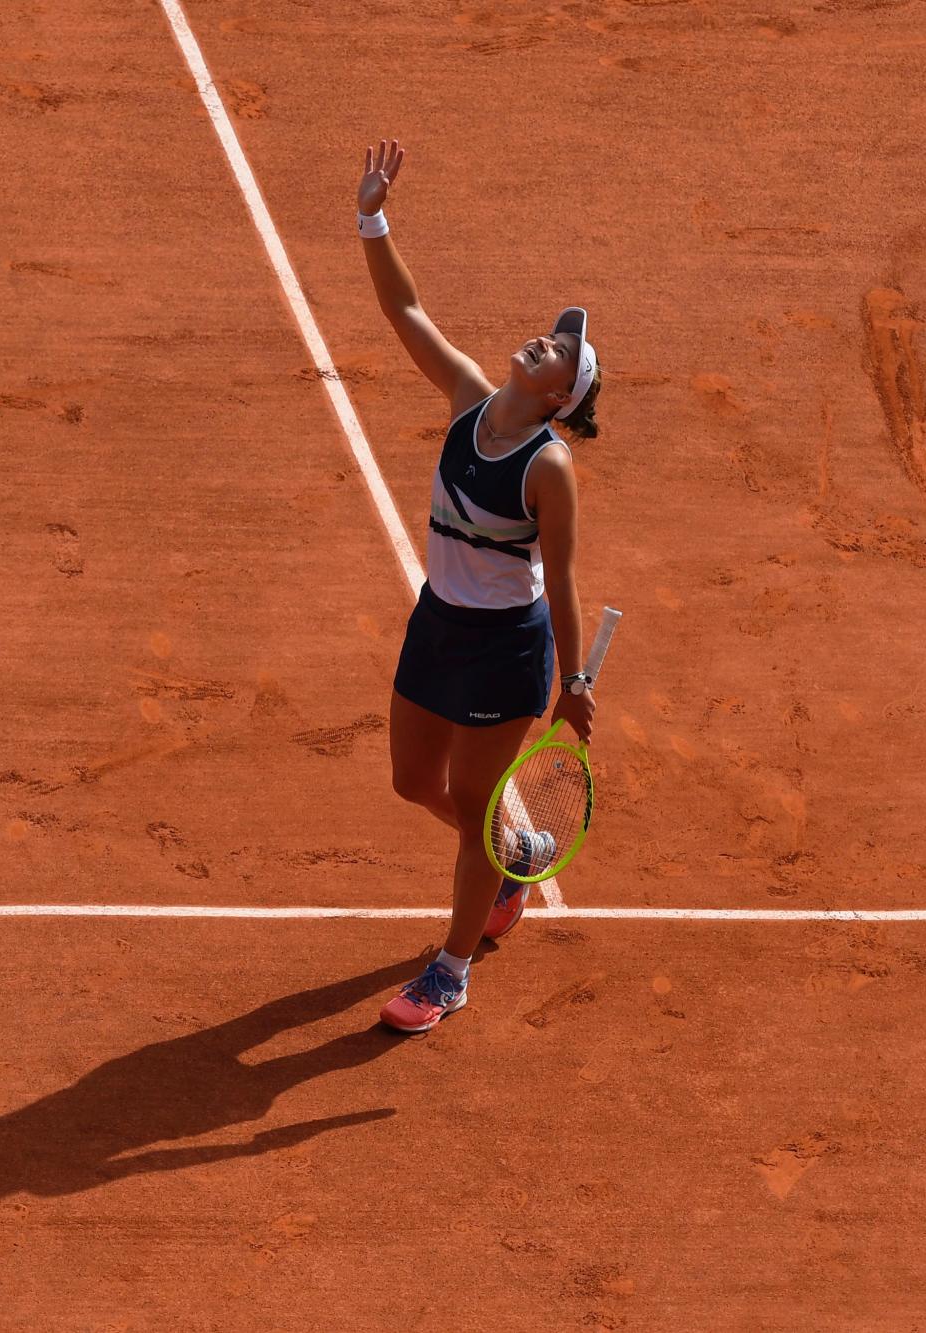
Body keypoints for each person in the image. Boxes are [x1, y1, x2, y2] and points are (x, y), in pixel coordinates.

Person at [357, 139, 602, 1033]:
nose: (548, 340)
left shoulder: (549, 468)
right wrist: (373, 218)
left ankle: (450, 969)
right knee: (412, 780)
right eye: (553, 337)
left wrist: (573, 684)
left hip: (506, 651)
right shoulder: (468, 400)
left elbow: (565, 580)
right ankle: (516, 857)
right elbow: (408, 310)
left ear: (555, 399)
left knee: (470, 811)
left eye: (560, 355)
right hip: (438, 627)